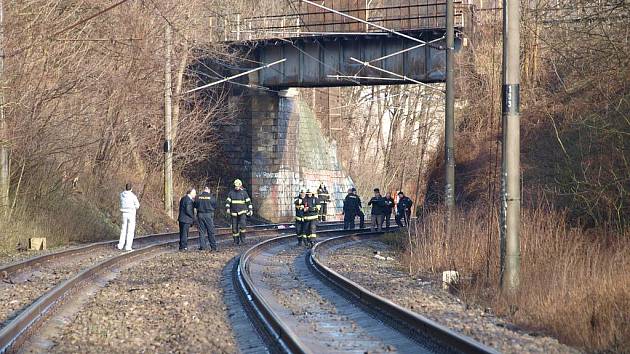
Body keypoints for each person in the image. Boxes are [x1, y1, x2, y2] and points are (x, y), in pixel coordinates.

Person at [226, 179, 253, 245]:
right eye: (235, 186)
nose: (237, 187)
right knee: (234, 228)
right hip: (234, 213)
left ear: (240, 185)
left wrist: (250, 210)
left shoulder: (244, 193)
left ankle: (243, 240)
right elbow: (228, 202)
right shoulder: (231, 193)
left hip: (242, 212)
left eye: (238, 186)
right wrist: (227, 209)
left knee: (243, 226)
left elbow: (249, 202)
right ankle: (236, 241)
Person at [118, 183, 140, 251]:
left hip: (124, 213)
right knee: (130, 231)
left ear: (125, 188)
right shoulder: (133, 196)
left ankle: (120, 245)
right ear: (131, 188)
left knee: (123, 229)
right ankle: (128, 246)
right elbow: (137, 205)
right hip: (131, 213)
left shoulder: (121, 195)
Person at [194, 186, 217, 251]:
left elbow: (195, 205)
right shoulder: (211, 197)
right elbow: (215, 205)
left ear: (203, 190)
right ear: (208, 190)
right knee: (210, 231)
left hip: (200, 215)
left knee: (201, 231)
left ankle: (203, 247)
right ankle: (213, 247)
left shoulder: (198, 197)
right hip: (209, 215)